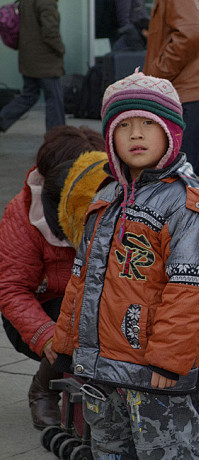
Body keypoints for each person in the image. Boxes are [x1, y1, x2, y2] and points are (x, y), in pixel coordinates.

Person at [52, 71, 199, 458]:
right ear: (110, 137)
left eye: (148, 123)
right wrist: (68, 344)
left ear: (171, 132)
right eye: (124, 125)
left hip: (153, 374)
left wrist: (168, 361)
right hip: (101, 368)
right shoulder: (106, 200)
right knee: (108, 449)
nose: (136, 134)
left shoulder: (189, 207)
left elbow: (193, 292)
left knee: (165, 450)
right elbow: (82, 278)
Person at [0, 126, 104, 430]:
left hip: (90, 300)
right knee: (83, 319)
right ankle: (43, 388)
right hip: (45, 310)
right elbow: (11, 289)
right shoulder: (22, 214)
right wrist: (45, 334)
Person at [144, 0, 199, 195]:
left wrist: (156, 74)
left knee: (177, 182)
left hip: (187, 98)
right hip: (196, 96)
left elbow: (190, 35)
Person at [0, 0, 65, 133]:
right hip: (45, 60)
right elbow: (50, 30)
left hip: (28, 58)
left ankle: (2, 119)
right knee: (54, 100)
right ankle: (57, 137)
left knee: (29, 95)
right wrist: (60, 49)